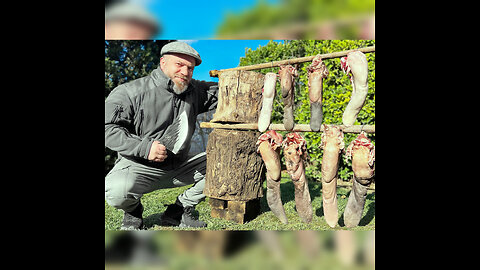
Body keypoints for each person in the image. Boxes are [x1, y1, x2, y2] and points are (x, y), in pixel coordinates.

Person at [105, 41, 218, 229]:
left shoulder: (195, 91)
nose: (185, 72)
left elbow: (228, 89)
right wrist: (145, 148)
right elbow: (108, 128)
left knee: (224, 163)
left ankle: (180, 210)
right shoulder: (129, 92)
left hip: (181, 165)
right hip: (139, 166)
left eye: (190, 68)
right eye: (179, 65)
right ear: (163, 62)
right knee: (115, 191)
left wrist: (263, 85)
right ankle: (133, 213)